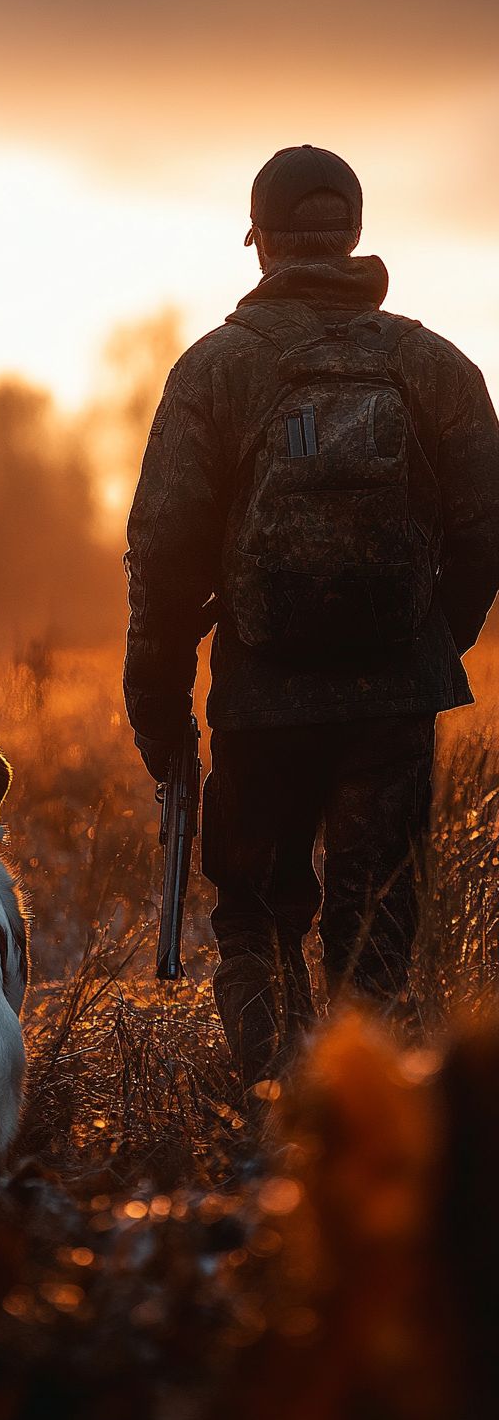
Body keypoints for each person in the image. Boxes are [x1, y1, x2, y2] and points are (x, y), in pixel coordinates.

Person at [124, 144, 499, 1085]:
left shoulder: (215, 369)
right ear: (354, 236)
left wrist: (159, 707)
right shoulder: (435, 365)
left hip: (260, 703)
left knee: (253, 913)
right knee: (373, 933)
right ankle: (358, 1142)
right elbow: (487, 527)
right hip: (394, 705)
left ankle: (264, 1126)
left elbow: (163, 556)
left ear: (261, 243)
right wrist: (425, 641)